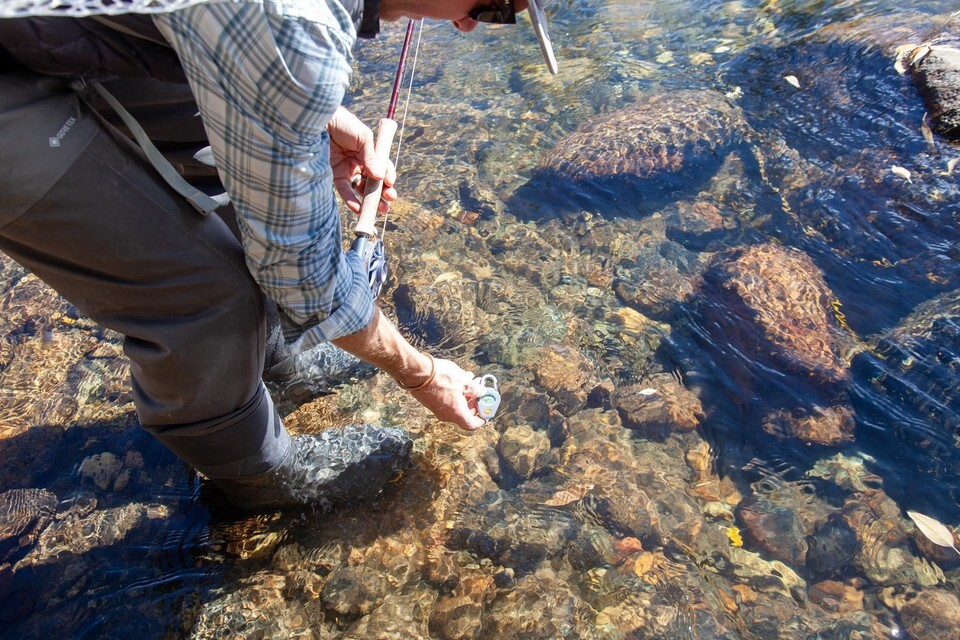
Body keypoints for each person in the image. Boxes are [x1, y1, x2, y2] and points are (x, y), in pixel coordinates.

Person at [0, 0, 558, 511]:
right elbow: (304, 278)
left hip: (51, 21)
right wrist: (423, 375)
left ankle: (274, 359)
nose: (469, 25)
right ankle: (258, 474)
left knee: (215, 165)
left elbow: (233, 41)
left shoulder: (294, 27)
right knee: (208, 293)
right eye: (491, 6)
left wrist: (313, 115)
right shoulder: (300, 25)